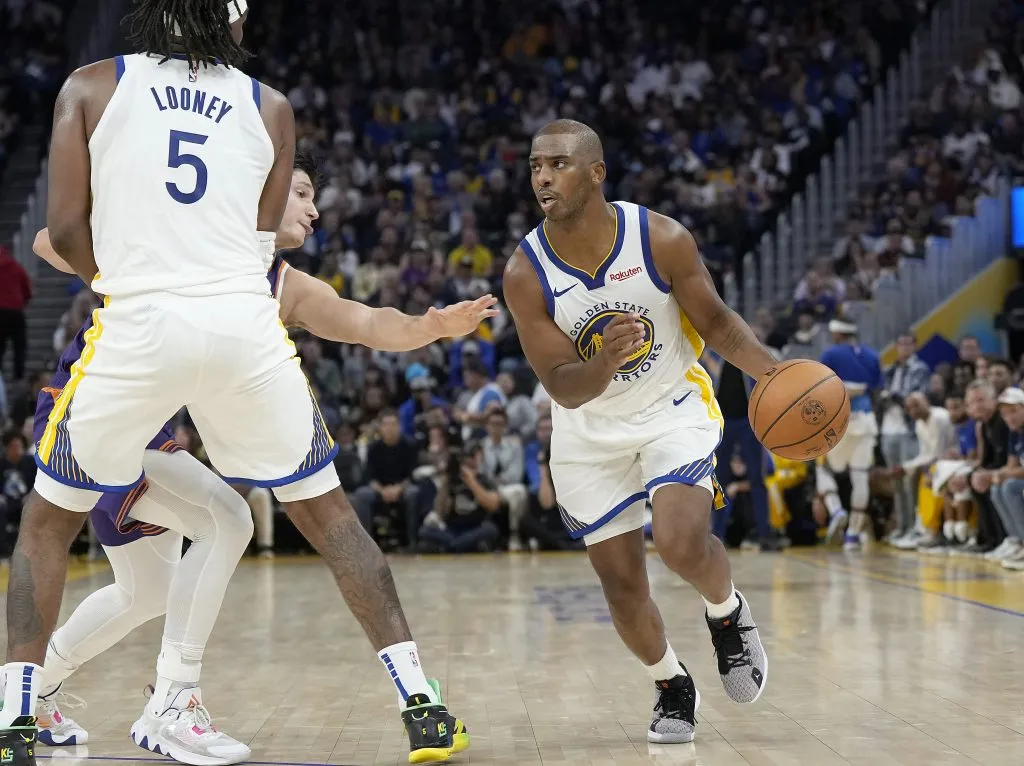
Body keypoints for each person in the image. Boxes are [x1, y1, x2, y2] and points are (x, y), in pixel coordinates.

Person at [2, 5, 494, 763]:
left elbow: (60, 233)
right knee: (325, 519)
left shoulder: (92, 86)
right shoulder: (270, 106)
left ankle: (21, 717)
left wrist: (133, 277)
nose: (314, 206)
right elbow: (256, 245)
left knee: (58, 531)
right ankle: (418, 703)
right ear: (233, 21)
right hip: (235, 323)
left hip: (141, 342)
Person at [503, 120, 778, 745]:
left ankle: (727, 613)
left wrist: (773, 374)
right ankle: (671, 684)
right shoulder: (526, 271)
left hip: (669, 407)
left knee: (682, 543)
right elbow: (561, 384)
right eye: (534, 166)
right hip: (587, 428)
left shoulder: (660, 238)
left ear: (596, 173)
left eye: (558, 163)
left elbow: (716, 321)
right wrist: (602, 361)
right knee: (623, 585)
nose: (542, 176)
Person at [815, 319, 883, 550]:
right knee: (860, 476)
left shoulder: (831, 354)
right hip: (866, 420)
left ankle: (836, 511)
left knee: (823, 468)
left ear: (837, 333)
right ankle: (853, 535)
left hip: (840, 419)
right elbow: (876, 390)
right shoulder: (873, 356)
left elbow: (822, 386)